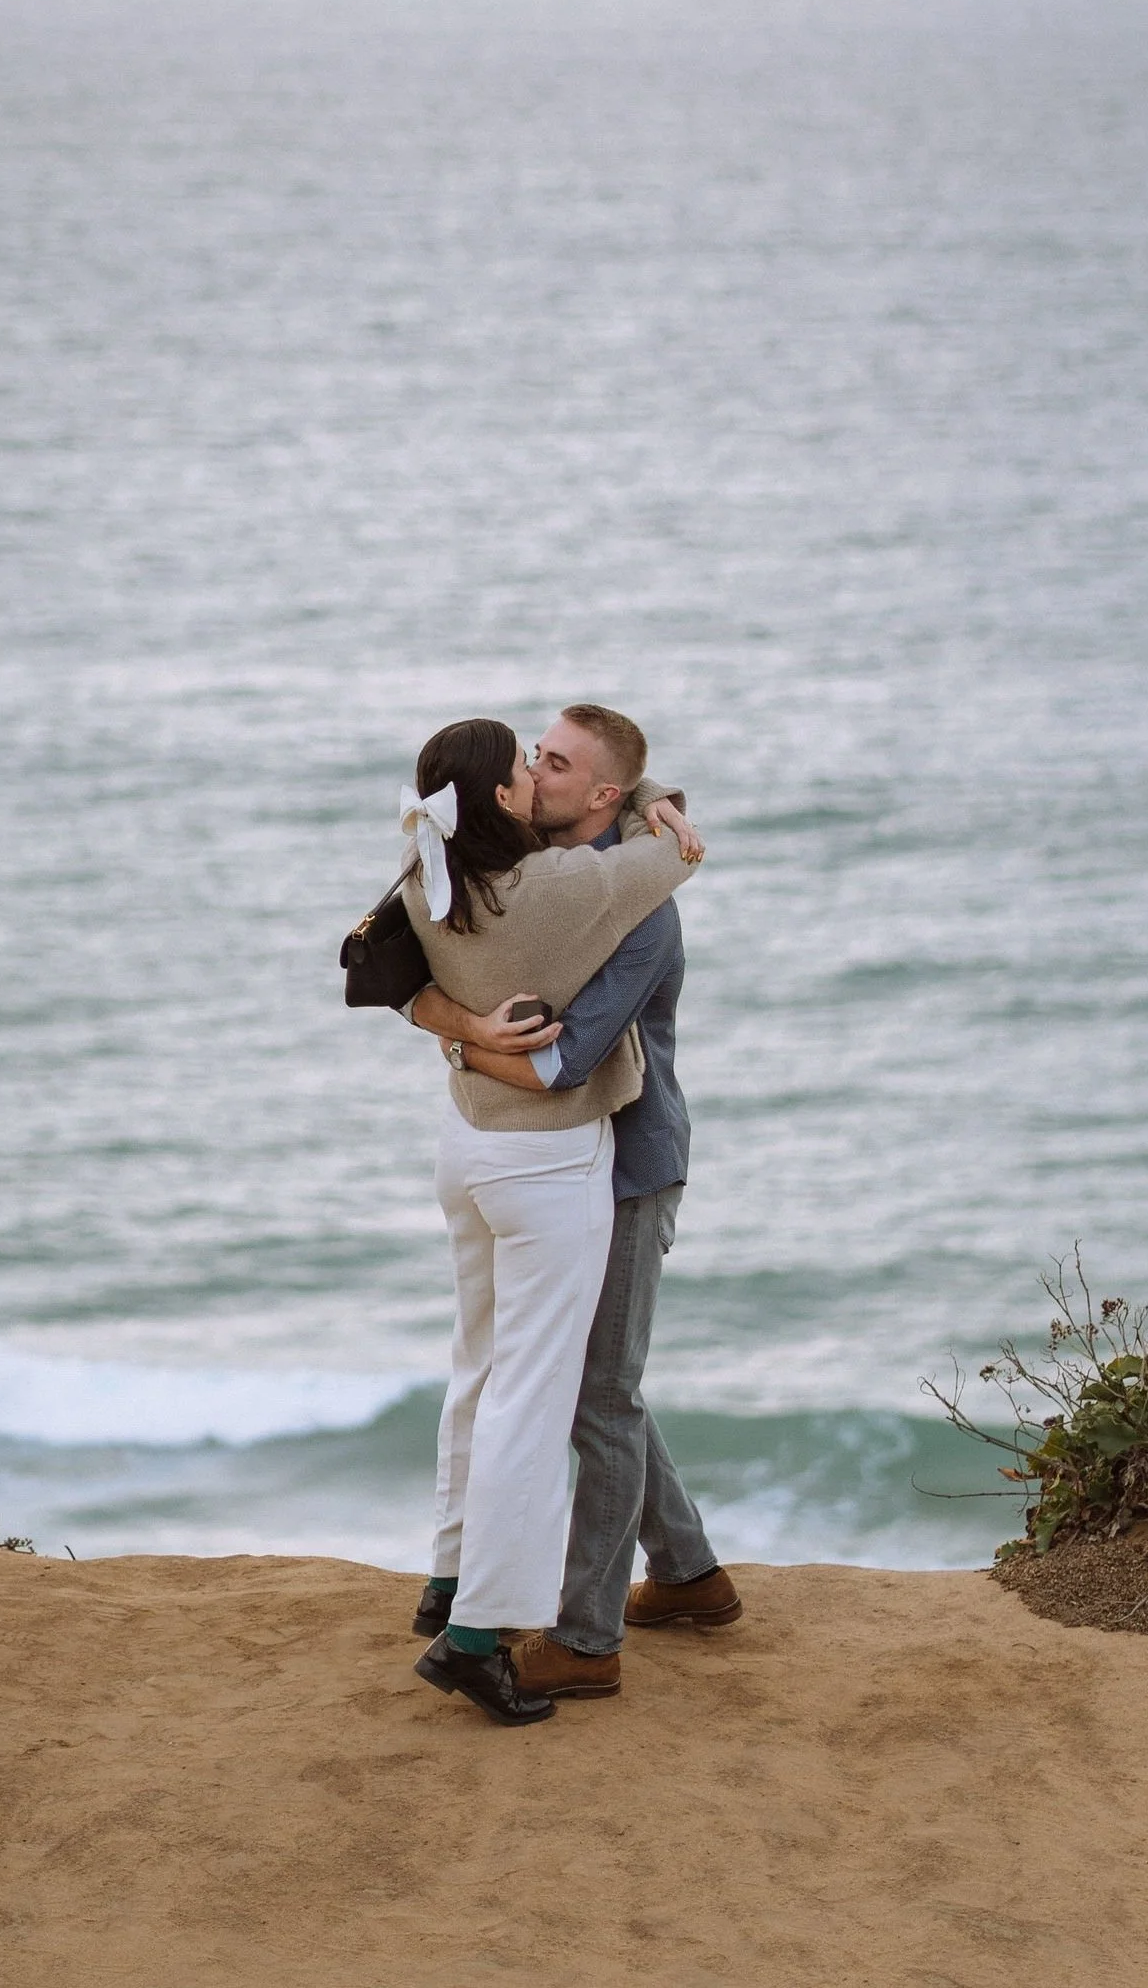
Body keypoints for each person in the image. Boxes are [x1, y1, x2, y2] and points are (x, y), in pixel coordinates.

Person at [407, 705, 740, 1706]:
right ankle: (687, 1575)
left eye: (557, 766)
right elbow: (385, 958)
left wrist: (463, 1046)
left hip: (628, 1165)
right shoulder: (533, 876)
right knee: (605, 1384)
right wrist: (454, 1017)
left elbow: (561, 1060)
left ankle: (588, 1638)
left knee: (599, 1392)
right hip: (561, 1164)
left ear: (600, 794)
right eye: (533, 759)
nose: (535, 777)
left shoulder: (637, 910)